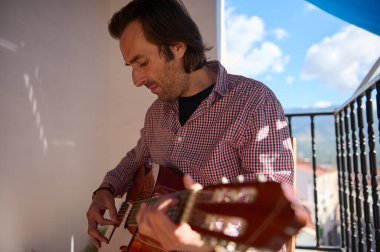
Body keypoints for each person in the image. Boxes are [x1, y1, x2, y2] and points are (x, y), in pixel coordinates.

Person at [86, 0, 294, 251]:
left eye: (142, 63)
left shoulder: (253, 102)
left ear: (177, 47)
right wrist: (106, 188)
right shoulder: (156, 112)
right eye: (131, 67)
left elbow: (270, 212)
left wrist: (204, 239)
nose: (136, 80)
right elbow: (136, 158)